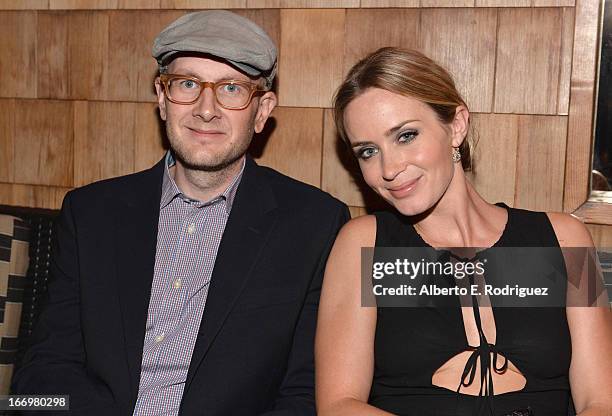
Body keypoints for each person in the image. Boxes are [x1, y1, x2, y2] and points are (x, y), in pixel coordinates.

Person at [13, 10, 349, 416]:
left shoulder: (314, 225)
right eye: (187, 84)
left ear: (261, 111)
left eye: (231, 89)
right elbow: (41, 374)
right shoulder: (90, 214)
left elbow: (304, 395)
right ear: (161, 97)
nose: (206, 109)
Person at [315, 47, 612, 416]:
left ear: (456, 125)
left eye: (405, 136)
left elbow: (600, 401)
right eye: (368, 152)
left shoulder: (567, 239)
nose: (388, 168)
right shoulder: (363, 244)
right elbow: (339, 405)